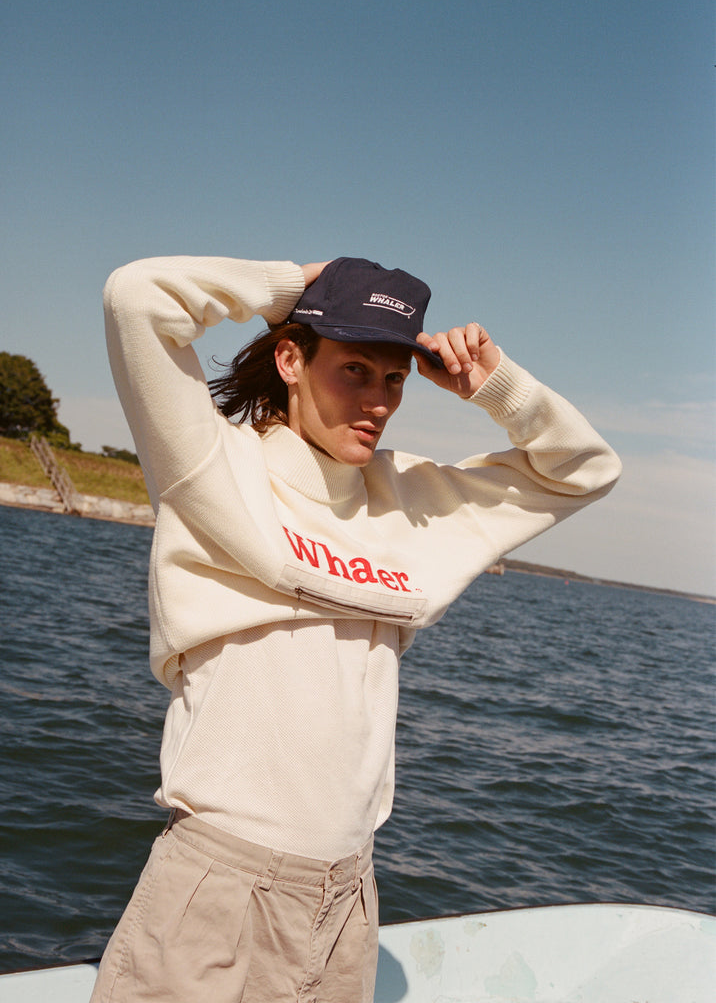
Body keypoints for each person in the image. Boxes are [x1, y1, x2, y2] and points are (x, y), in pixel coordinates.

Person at [91, 254, 621, 1003]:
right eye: (354, 371)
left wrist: (495, 385)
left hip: (348, 898)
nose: (378, 402)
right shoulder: (213, 465)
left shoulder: (413, 502)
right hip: (220, 887)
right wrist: (291, 283)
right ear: (291, 360)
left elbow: (586, 470)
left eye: (395, 379)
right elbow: (137, 297)